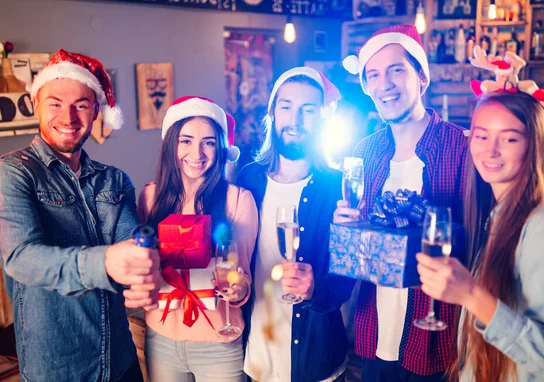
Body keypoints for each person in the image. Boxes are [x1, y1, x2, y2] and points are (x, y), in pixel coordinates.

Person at [417, 90, 544, 381]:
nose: (491, 151)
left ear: (535, 145)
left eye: (510, 138)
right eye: (481, 136)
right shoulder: (500, 217)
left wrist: (471, 295)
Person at [0, 49, 160, 382]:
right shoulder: (13, 173)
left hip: (121, 362)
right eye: (55, 103)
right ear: (37, 105)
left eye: (81, 105)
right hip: (57, 369)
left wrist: (143, 271)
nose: (68, 117)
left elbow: (130, 246)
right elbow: (21, 258)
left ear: (96, 110)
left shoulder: (115, 179)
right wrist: (104, 263)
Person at [334, 24, 469, 381]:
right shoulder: (364, 152)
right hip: (375, 332)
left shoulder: (462, 148)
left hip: (438, 338)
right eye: (374, 75)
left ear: (421, 77)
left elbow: (479, 244)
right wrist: (347, 230)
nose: (385, 84)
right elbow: (361, 252)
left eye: (396, 70)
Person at [238, 67, 353, 382]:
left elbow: (345, 281)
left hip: (317, 362)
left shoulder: (338, 186)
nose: (296, 120)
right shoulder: (247, 178)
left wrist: (315, 289)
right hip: (256, 358)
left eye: (308, 110)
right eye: (286, 106)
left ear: (322, 118)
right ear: (273, 112)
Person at [138, 96, 258, 381]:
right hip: (161, 337)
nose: (197, 152)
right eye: (186, 140)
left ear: (220, 148)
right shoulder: (149, 197)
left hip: (219, 342)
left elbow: (243, 276)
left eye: (209, 142)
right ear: (171, 145)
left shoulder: (238, 201)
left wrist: (238, 291)